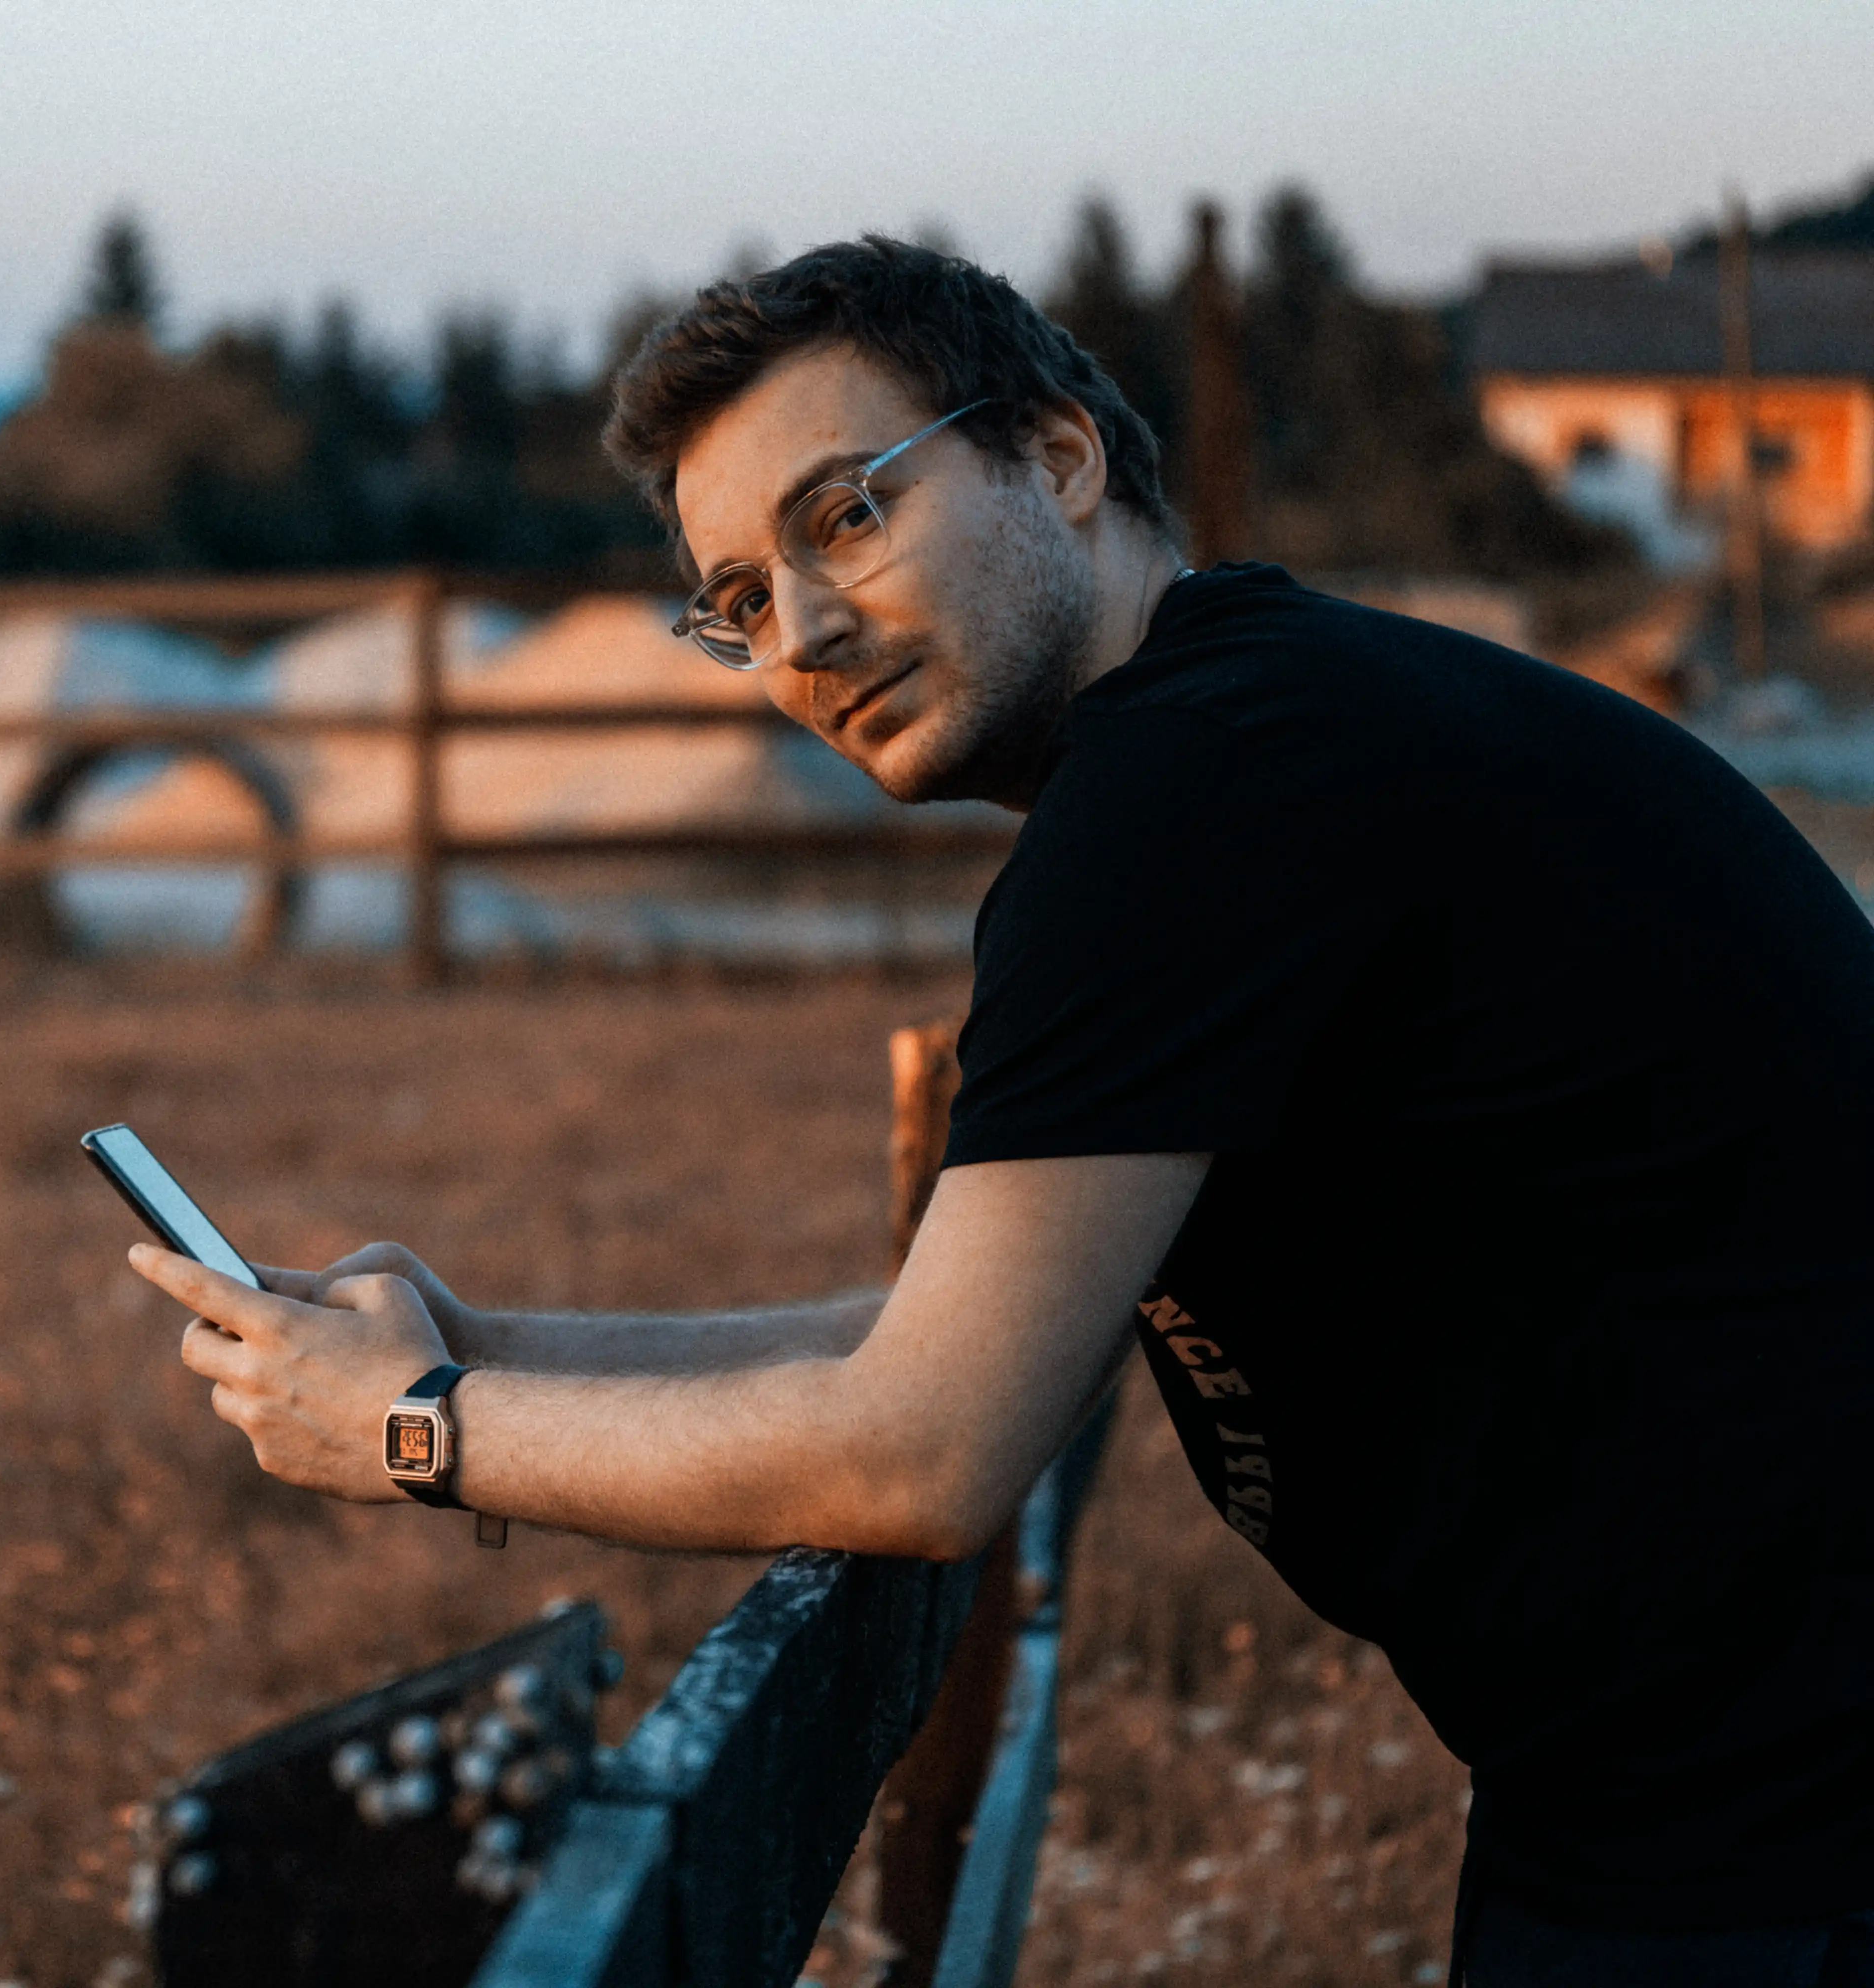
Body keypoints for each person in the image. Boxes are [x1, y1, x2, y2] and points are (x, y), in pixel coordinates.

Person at [125, 236, 1874, 1983]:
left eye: (848, 516)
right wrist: (480, 1343)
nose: (800, 631)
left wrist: (421, 1429)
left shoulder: (1188, 788)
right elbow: (986, 1325)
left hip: (1782, 1820)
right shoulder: (1253, 728)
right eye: (737, 600)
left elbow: (927, 1445)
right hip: (1706, 1789)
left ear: (1058, 457)